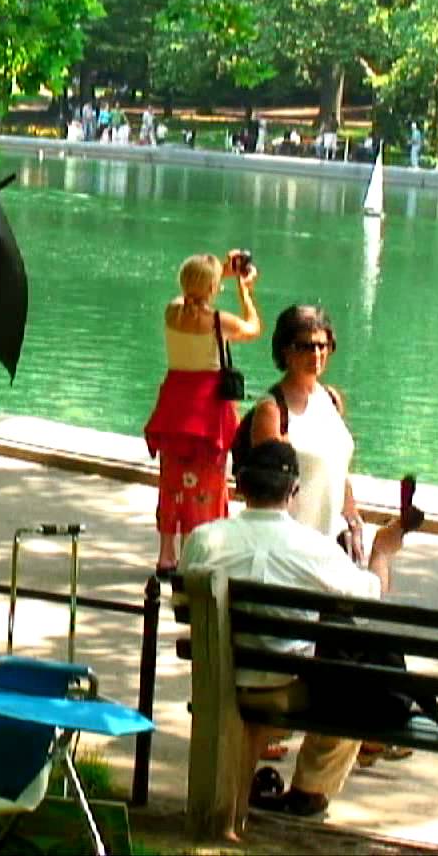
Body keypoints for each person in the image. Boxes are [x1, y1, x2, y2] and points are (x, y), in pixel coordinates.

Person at [181, 440, 406, 835]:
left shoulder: (204, 539)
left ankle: (248, 794)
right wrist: (382, 553)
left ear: (239, 486)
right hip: (284, 688)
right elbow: (371, 601)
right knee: (351, 686)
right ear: (294, 492)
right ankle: (309, 792)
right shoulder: (314, 549)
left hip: (220, 678)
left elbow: (182, 600)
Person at [144, 252, 261, 573]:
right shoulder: (218, 322)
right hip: (208, 414)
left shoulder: (172, 313)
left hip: (173, 409)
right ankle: (196, 553)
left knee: (171, 485)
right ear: (212, 288)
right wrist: (243, 288)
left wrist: (217, 273)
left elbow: (192, 292)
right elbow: (253, 328)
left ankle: (166, 554)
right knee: (207, 488)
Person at [249, 306, 359, 544]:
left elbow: (340, 469)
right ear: (286, 350)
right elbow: (263, 493)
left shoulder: (331, 398)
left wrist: (352, 516)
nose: (317, 354)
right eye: (306, 346)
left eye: (323, 345)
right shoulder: (272, 410)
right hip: (290, 543)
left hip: (333, 540)